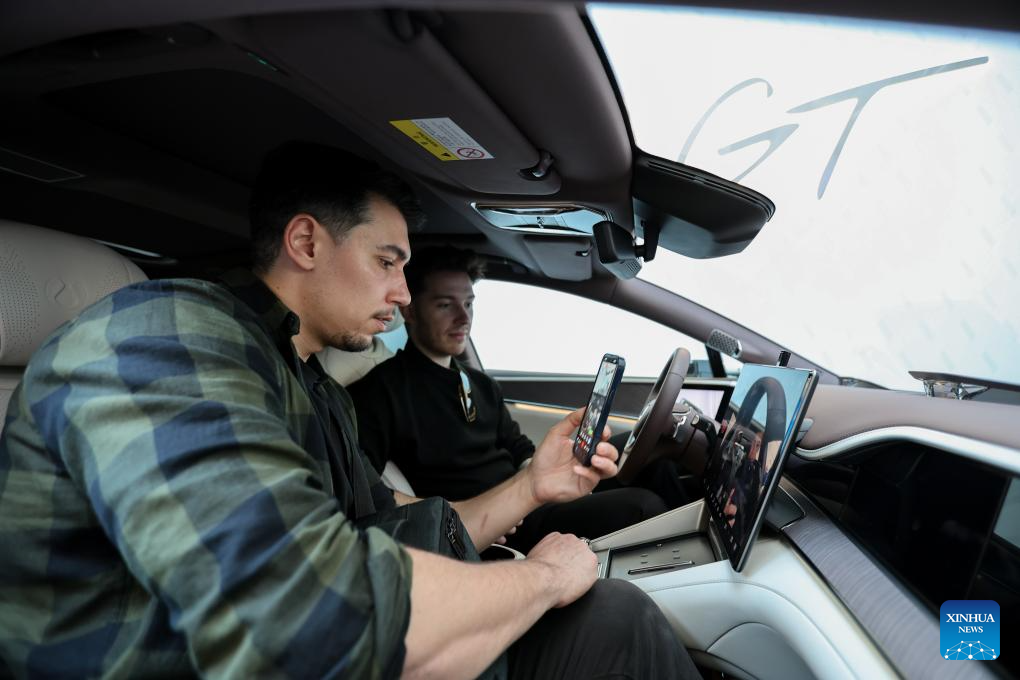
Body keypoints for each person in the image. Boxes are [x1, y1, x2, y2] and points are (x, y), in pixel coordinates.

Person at [0, 141, 699, 680]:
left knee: (609, 614)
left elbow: (396, 526)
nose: (403, 293)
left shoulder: (310, 384)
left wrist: (532, 487)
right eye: (387, 262)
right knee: (615, 622)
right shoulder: (166, 340)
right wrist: (542, 579)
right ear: (306, 243)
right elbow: (308, 620)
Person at [348, 247, 672, 552]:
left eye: (468, 304)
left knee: (657, 454)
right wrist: (456, 514)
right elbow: (365, 490)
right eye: (445, 305)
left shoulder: (479, 383)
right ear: (409, 310)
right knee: (644, 506)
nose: (463, 318)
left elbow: (518, 446)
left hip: (533, 492)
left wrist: (542, 475)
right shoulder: (380, 391)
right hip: (503, 525)